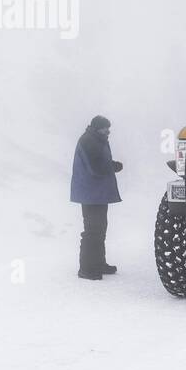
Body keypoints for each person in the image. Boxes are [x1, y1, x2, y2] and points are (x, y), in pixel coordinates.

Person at [70, 115, 123, 280]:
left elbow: (99, 162)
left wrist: (110, 164)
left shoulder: (97, 139)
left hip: (96, 193)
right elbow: (96, 168)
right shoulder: (89, 141)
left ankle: (98, 263)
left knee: (99, 228)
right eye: (105, 127)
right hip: (90, 194)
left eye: (108, 127)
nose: (108, 130)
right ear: (96, 127)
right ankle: (86, 268)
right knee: (93, 230)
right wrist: (113, 166)